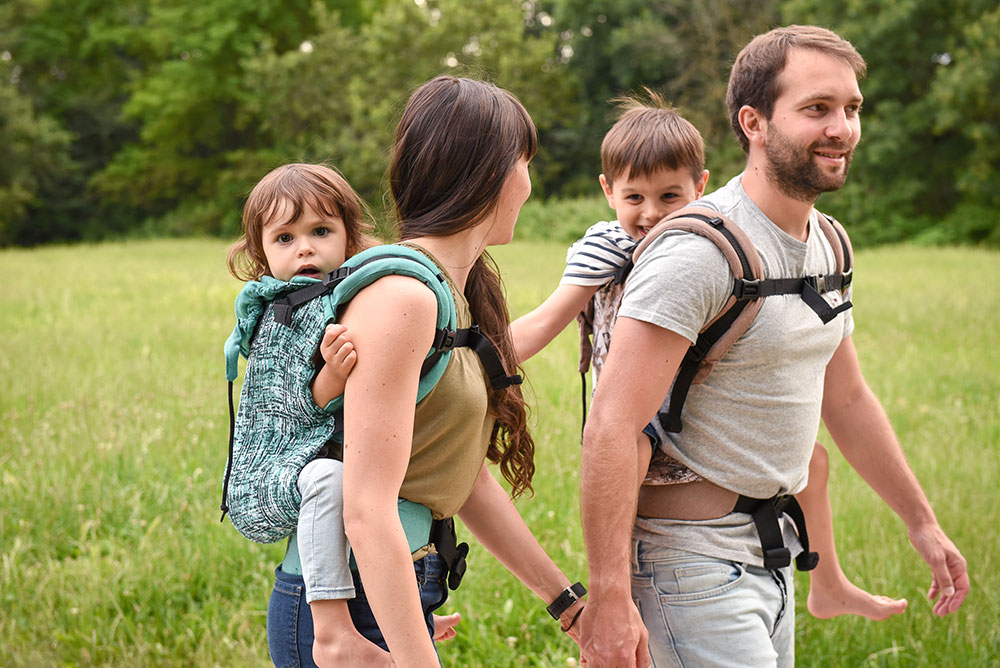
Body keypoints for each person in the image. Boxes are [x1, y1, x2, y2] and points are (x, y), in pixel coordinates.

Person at [577, 25, 969, 668]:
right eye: (817, 109)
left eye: (851, 108)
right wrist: (611, 597)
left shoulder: (829, 242)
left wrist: (920, 520)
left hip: (773, 553)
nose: (841, 128)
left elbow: (846, 398)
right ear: (754, 122)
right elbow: (612, 426)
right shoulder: (698, 253)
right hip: (689, 567)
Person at [511, 92, 906, 624]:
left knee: (809, 459)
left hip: (689, 390)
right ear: (608, 192)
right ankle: (623, 587)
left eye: (669, 196)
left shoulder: (705, 240)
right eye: (634, 198)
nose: (650, 214)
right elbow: (549, 322)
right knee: (636, 454)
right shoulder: (604, 247)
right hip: (639, 399)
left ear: (700, 187)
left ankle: (828, 581)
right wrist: (483, 353)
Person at [265, 76, 587, 668]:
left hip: (391, 589)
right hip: (349, 610)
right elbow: (366, 507)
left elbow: (457, 475)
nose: (529, 183)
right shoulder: (404, 299)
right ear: (490, 173)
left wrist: (568, 606)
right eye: (524, 162)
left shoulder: (450, 296)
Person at [228, 163, 428, 666]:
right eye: (284, 238)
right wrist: (330, 383)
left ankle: (395, 612)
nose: (305, 249)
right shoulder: (280, 314)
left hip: (383, 544)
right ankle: (331, 623)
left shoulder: (347, 296)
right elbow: (281, 406)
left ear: (348, 235)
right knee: (327, 478)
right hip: (273, 470)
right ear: (261, 252)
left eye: (321, 231)